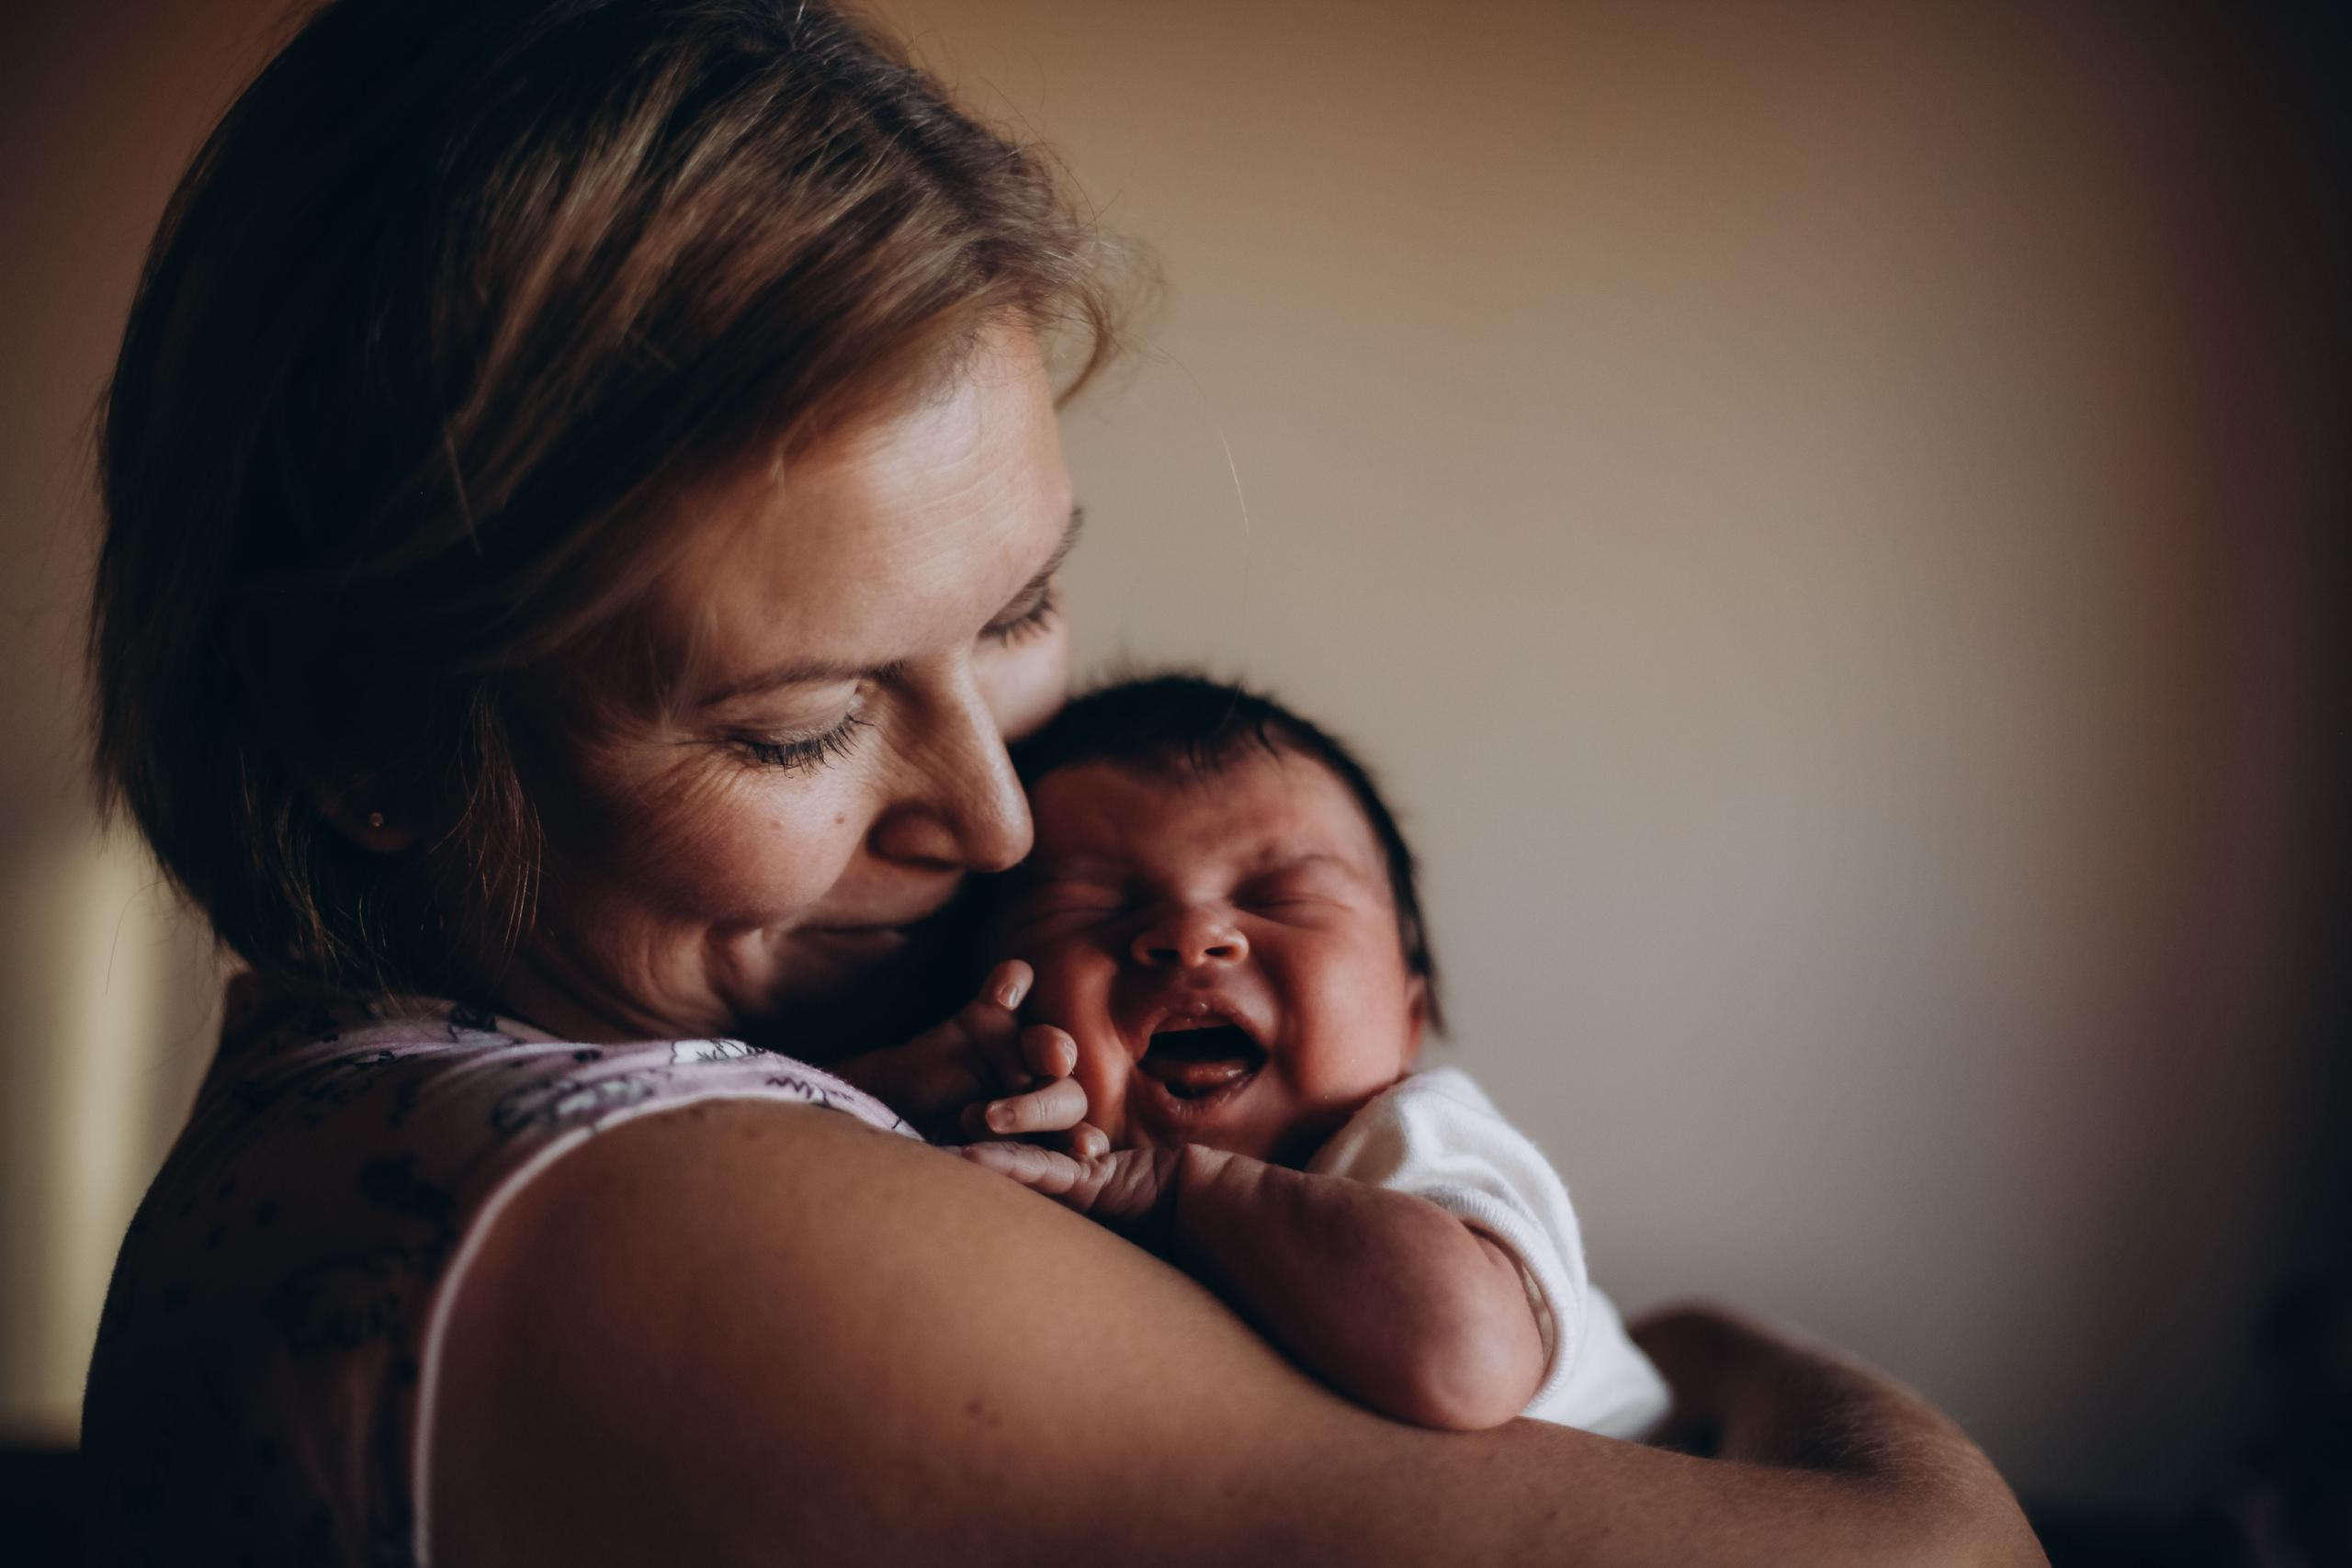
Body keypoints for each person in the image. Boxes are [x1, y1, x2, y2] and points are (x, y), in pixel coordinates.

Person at [77, 2, 2049, 1564]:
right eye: (797, 720)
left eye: (1019, 605)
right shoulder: (666, 1235)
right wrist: (1709, 1346)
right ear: (361, 735)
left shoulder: (376, 1119)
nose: (1001, 819)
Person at [949, 672, 1671, 1438]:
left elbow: (1467, 1354)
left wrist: (1179, 1190)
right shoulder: (1031, 1165)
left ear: (1409, 1021)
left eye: (1282, 895)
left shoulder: (1411, 1147)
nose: (1192, 932)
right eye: (1091, 905)